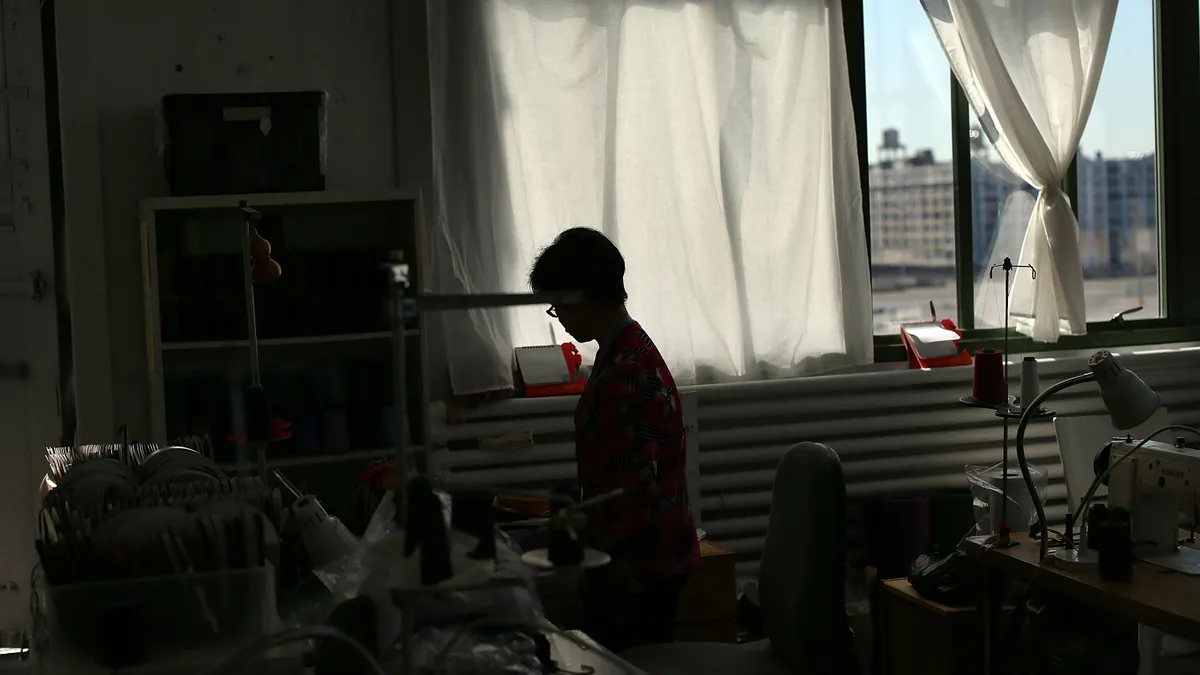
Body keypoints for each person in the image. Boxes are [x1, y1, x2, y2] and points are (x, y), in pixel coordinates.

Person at [529, 227, 700, 652]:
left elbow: (633, 482)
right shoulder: (627, 347)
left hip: (640, 562)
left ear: (579, 296)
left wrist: (615, 562)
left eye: (556, 306)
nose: (559, 317)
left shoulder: (625, 370)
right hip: (649, 550)